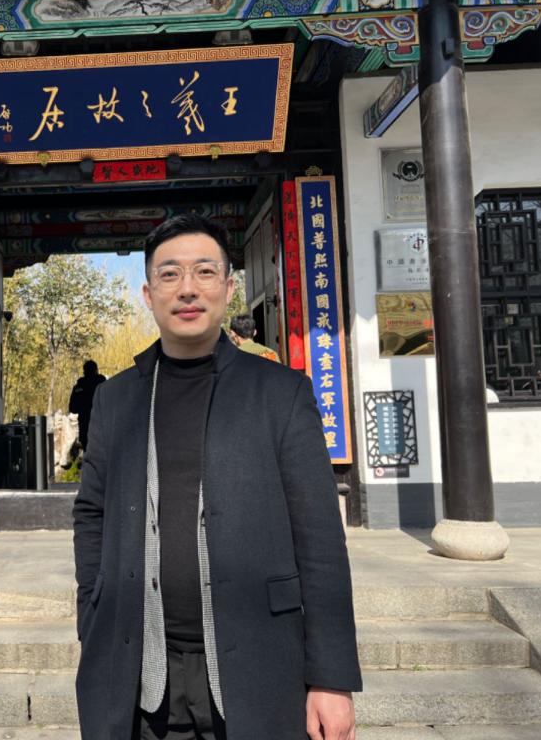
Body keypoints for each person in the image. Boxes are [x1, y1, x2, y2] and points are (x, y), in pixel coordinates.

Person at [73, 214, 360, 740]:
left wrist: (331, 679)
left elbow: (320, 539)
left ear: (228, 289)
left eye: (205, 272)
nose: (188, 289)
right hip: (135, 673)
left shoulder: (281, 394)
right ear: (148, 293)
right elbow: (91, 513)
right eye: (170, 274)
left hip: (259, 668)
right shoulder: (117, 399)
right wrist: (91, 612)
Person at [69, 359, 106, 451]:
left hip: (85, 428)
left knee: (89, 454)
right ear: (96, 370)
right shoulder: (103, 386)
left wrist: (83, 407)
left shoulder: (79, 387)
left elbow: (72, 408)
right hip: (102, 428)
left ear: (84, 371)